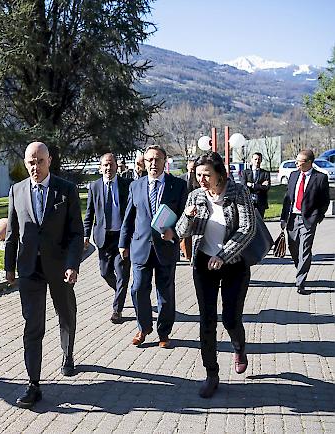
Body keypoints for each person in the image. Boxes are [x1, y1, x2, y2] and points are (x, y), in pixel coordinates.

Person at [5, 141, 84, 409]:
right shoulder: (16, 191)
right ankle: (33, 383)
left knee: (66, 314)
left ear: (49, 160)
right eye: (30, 162)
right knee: (32, 325)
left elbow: (76, 233)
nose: (34, 167)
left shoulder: (66, 190)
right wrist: (9, 267)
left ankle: (67, 354)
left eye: (39, 161)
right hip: (29, 269)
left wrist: (73, 264)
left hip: (60, 268)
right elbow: (13, 233)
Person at [175, 152, 256, 398]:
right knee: (207, 320)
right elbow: (180, 232)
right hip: (203, 265)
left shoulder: (238, 192)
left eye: (207, 175)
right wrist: (188, 217)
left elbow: (247, 227)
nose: (202, 179)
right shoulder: (196, 196)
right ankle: (211, 373)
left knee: (231, 318)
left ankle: (239, 347)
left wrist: (223, 255)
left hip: (233, 264)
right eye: (198, 175)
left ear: (219, 173)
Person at [119, 145, 187, 348]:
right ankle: (143, 327)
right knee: (138, 289)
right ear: (144, 162)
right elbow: (129, 217)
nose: (153, 163)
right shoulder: (136, 186)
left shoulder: (177, 185)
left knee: (165, 294)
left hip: (166, 248)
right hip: (141, 247)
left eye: (157, 159)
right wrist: (123, 242)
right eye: (149, 160)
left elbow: (184, 217)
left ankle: (164, 333)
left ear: (165, 161)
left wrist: (174, 232)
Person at [83, 153, 131, 324]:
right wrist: (85, 235)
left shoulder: (127, 185)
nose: (108, 168)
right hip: (103, 237)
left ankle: (117, 310)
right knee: (105, 273)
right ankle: (121, 291)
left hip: (122, 236)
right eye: (105, 165)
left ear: (117, 166)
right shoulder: (94, 187)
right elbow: (89, 214)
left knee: (122, 274)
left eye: (111, 164)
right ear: (100, 167)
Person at [280, 149, 330, 295]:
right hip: (292, 218)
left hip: (308, 219)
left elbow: (324, 201)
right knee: (293, 247)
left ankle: (300, 282)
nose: (296, 163)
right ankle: (301, 268)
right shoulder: (293, 175)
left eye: (299, 161)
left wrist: (318, 217)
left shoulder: (320, 178)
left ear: (309, 162)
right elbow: (287, 199)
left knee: (305, 250)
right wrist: (283, 218)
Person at [241, 152, 270, 218]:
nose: (257, 161)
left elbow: (266, 187)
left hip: (261, 202)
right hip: (248, 202)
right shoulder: (245, 173)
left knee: (260, 223)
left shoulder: (265, 173)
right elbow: (243, 186)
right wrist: (260, 186)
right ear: (251, 160)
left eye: (259, 159)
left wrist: (252, 185)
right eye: (255, 159)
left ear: (261, 160)